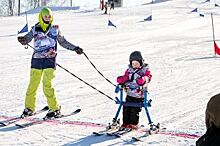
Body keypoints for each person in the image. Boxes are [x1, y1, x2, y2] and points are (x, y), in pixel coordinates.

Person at [17, 7, 83, 119]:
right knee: (32, 85)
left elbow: (63, 42)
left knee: (47, 85)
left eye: (49, 16)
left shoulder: (55, 29)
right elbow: (27, 38)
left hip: (50, 60)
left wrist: (75, 48)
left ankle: (55, 108)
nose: (47, 18)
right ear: (41, 17)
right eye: (45, 16)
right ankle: (29, 108)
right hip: (36, 60)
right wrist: (23, 39)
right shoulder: (35, 28)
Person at [116, 51, 152, 129]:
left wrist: (142, 80)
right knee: (126, 108)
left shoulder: (145, 71)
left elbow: (148, 77)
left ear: (141, 63)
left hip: (139, 95)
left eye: (136, 63)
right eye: (133, 63)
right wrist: (122, 80)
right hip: (129, 94)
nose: (134, 65)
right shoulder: (129, 70)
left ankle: (133, 124)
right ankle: (125, 123)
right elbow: (126, 77)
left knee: (134, 110)